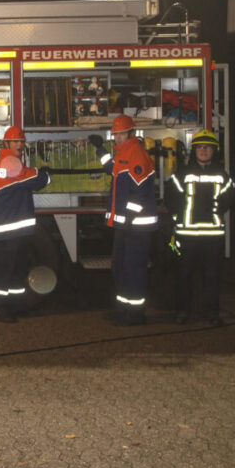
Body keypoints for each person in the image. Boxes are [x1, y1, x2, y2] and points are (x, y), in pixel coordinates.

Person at [92, 115, 158, 326]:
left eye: (121, 134)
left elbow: (139, 193)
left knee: (133, 269)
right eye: (116, 134)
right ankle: (123, 309)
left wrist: (129, 218)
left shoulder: (136, 154)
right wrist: (100, 149)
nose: (117, 137)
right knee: (119, 267)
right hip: (125, 225)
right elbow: (112, 168)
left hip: (136, 226)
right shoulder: (124, 153)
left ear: (131, 133)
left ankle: (136, 314)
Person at [167, 130, 234, 327]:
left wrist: (217, 211)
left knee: (212, 276)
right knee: (183, 275)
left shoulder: (222, 175)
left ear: (215, 151)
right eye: (200, 147)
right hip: (186, 235)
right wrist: (177, 219)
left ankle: (212, 313)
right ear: (194, 150)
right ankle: (182, 311)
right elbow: (172, 199)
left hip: (212, 236)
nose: (203, 151)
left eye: (208, 147)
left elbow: (229, 197)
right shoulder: (182, 174)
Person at [0, 127, 51, 323]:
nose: (19, 145)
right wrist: (45, 173)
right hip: (9, 230)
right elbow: (37, 180)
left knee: (17, 270)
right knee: (5, 271)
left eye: (21, 142)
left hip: (16, 229)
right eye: (15, 141)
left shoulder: (11, 162)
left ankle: (15, 306)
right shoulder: (9, 163)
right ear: (6, 144)